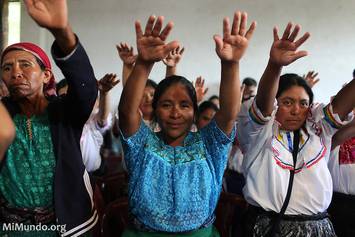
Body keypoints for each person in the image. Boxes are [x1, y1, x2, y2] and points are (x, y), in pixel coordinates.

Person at [118, 11, 256, 236]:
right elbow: (126, 113)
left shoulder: (208, 145)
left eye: (184, 105)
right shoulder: (142, 143)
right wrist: (143, 63)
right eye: (166, 105)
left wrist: (231, 64)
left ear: (194, 112)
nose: (175, 113)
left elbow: (229, 114)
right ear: (154, 110)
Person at [238, 22, 355, 237]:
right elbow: (263, 106)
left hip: (318, 228)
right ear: (276, 103)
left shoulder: (319, 130)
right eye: (287, 102)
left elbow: (339, 108)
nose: (296, 110)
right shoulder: (261, 132)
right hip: (267, 229)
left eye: (303, 103)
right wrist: (274, 65)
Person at [0, 0, 98, 236]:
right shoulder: (3, 114)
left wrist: (61, 32)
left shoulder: (64, 113)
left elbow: (85, 88)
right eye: (6, 68)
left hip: (63, 226)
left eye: (25, 64)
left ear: (46, 75)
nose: (16, 73)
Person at [56, 73, 119, 173]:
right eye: (64, 98)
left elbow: (102, 118)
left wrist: (104, 93)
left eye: (74, 97)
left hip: (92, 175)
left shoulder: (91, 123)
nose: (71, 103)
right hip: (68, 177)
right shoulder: (58, 126)